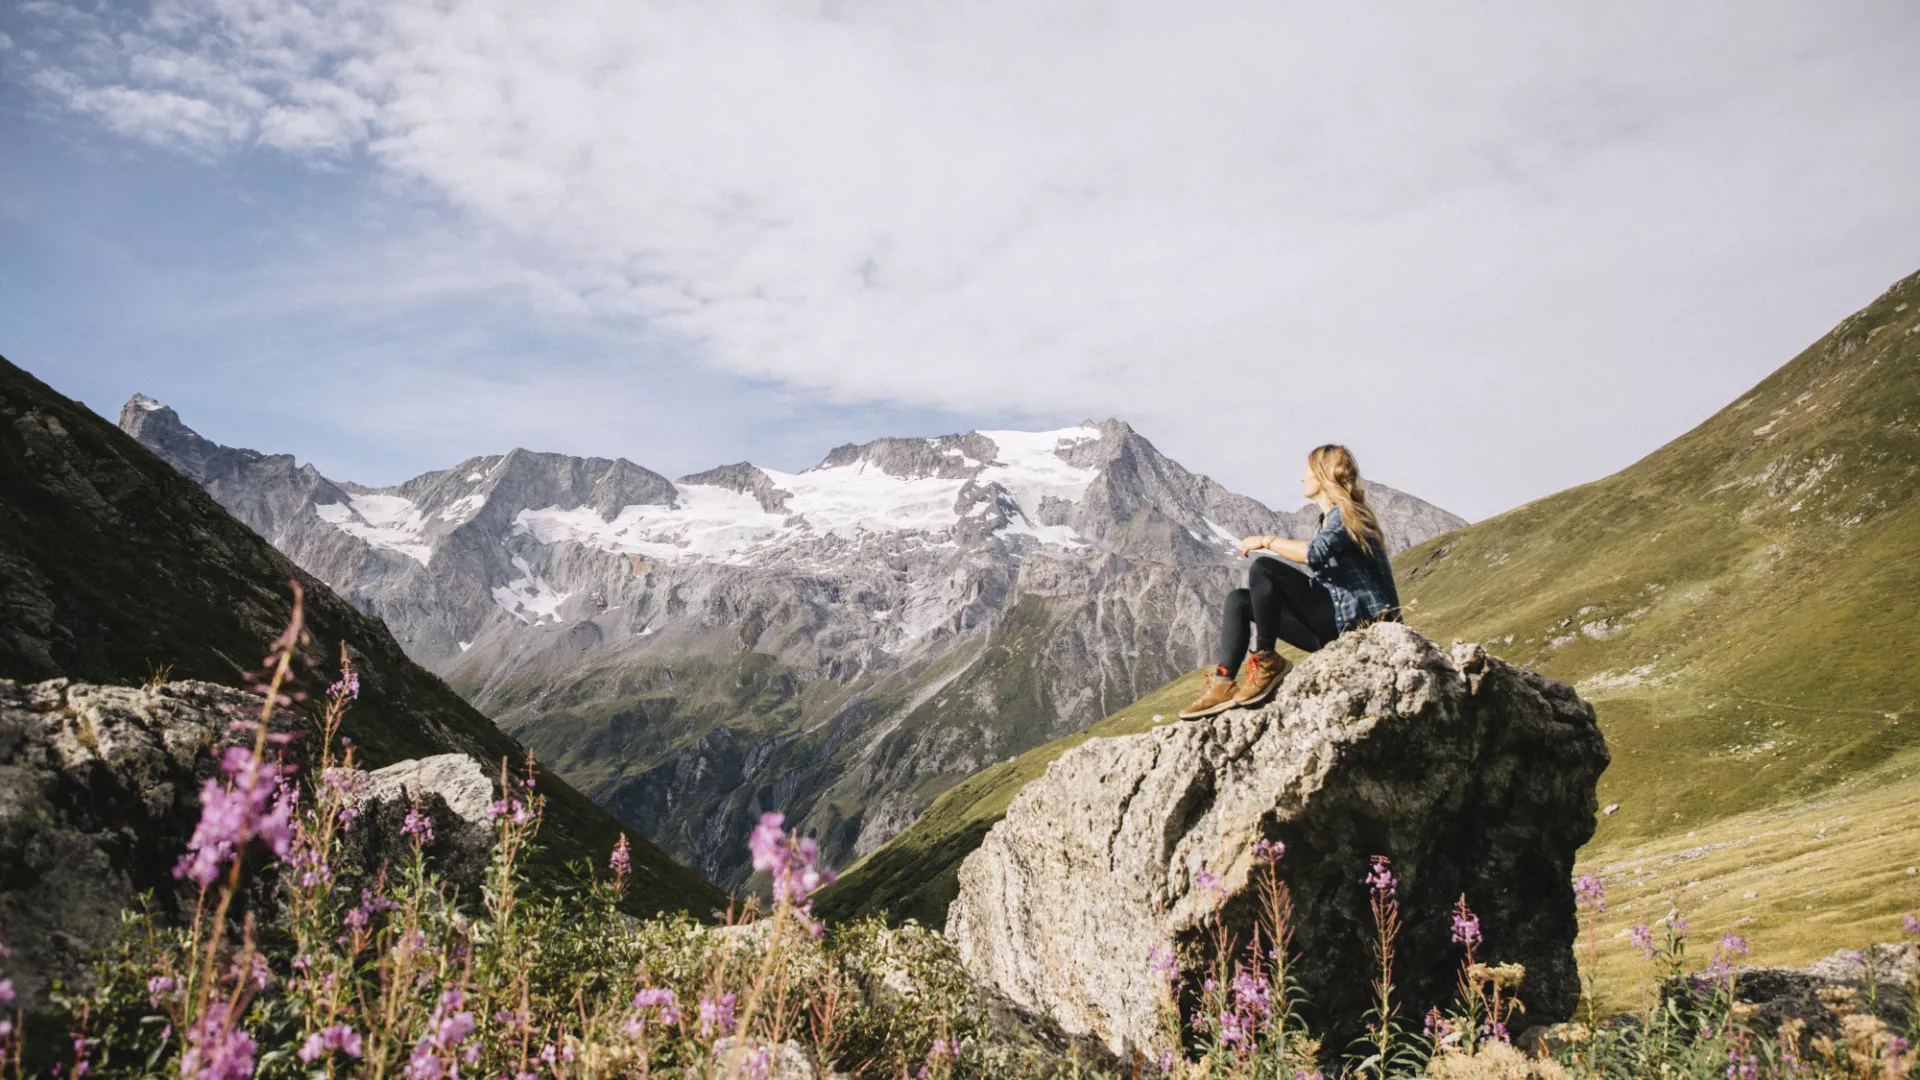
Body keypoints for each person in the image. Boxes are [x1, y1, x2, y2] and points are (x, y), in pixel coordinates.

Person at [1179, 444, 1402, 720]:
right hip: (1332, 626)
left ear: (1323, 475)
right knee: (1238, 600)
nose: (1302, 478)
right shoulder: (1331, 518)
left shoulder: (1348, 513)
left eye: (1307, 471)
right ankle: (1223, 683)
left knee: (1264, 567)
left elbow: (1313, 553)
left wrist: (1265, 541)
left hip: (1357, 625)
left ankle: (1267, 658)